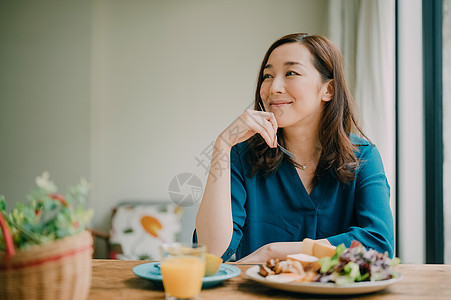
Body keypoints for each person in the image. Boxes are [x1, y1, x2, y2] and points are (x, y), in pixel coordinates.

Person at [194, 33, 394, 263]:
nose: (273, 87)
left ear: (328, 90)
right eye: (267, 76)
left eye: (291, 73)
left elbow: (379, 243)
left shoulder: (363, 156)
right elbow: (210, 252)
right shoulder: (241, 154)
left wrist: (273, 252)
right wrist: (222, 145)